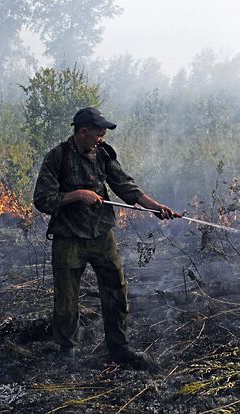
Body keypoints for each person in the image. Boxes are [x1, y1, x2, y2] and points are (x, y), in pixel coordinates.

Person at [33, 107, 179, 369]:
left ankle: (119, 348)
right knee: (66, 300)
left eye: (103, 134)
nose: (101, 138)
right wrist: (77, 195)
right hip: (69, 238)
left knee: (116, 290)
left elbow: (126, 187)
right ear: (83, 131)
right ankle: (67, 353)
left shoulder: (103, 154)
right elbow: (42, 200)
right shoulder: (58, 157)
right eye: (97, 134)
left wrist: (156, 208)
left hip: (101, 234)